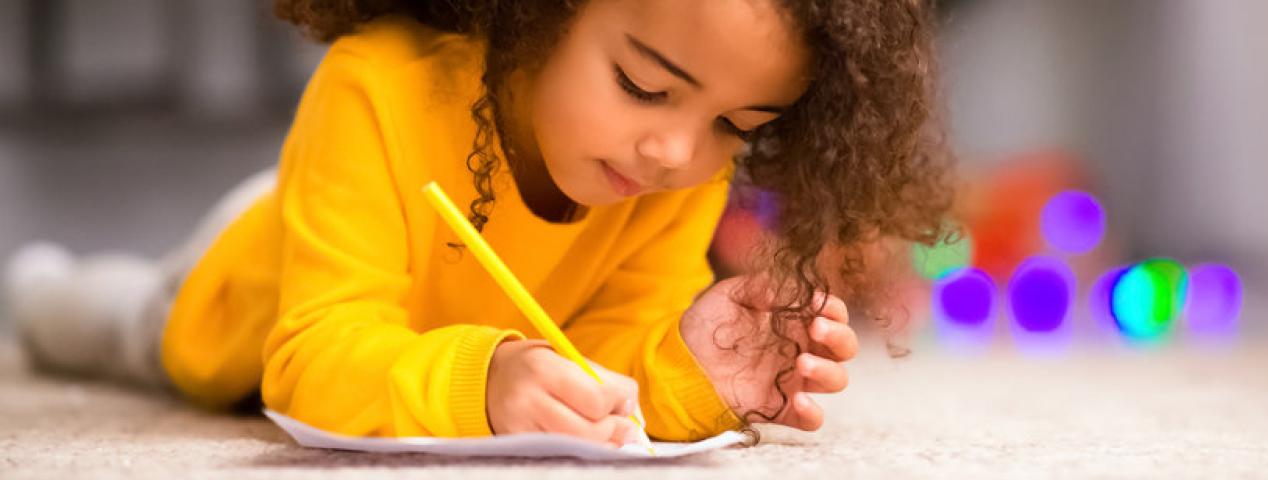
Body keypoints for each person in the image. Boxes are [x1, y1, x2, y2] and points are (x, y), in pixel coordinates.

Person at [4, 0, 955, 446]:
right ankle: (36, 284)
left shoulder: (678, 166)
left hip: (387, 263)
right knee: (121, 323)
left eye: (736, 125)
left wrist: (690, 364)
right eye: (643, 85)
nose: (677, 150)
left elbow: (606, 365)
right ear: (538, 13)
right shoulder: (378, 84)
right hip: (241, 283)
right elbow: (310, 357)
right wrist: (485, 382)